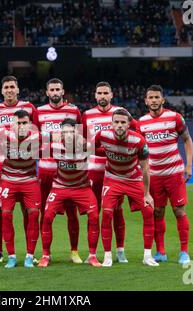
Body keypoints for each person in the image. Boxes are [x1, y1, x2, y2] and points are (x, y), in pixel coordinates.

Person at [0, 75, 39, 263]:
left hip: (24, 166)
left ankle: (29, 252)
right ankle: (0, 251)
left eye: (12, 87)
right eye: (6, 87)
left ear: (18, 89)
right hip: (0, 167)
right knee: (0, 211)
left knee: (28, 211)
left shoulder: (29, 108)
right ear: (2, 91)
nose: (9, 90)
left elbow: (37, 132)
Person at [94, 108, 158, 267]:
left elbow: (145, 169)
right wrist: (105, 152)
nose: (119, 125)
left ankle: (147, 256)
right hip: (112, 179)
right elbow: (92, 148)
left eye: (123, 122)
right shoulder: (102, 135)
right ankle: (107, 255)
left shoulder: (139, 141)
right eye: (116, 122)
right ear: (111, 123)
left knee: (148, 211)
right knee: (107, 214)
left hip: (132, 178)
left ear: (129, 124)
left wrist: (147, 193)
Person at [137, 85, 193, 264]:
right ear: (146, 101)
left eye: (157, 97)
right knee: (158, 212)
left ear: (163, 99)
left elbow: (187, 140)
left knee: (178, 210)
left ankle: (184, 252)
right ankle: (161, 251)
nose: (153, 100)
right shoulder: (141, 123)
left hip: (174, 173)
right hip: (153, 175)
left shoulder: (174, 118)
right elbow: (138, 150)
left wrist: (189, 165)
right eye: (150, 97)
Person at [81, 81, 137, 263]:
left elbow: (137, 133)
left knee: (117, 211)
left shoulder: (121, 113)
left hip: (115, 171)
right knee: (94, 212)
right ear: (95, 96)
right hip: (94, 171)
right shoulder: (87, 115)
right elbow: (84, 143)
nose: (103, 96)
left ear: (112, 95)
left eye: (106, 93)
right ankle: (93, 253)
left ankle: (120, 250)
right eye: (100, 93)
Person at [38, 119, 101, 267]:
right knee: (46, 217)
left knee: (94, 216)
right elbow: (32, 142)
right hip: (60, 187)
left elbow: (106, 148)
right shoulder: (54, 146)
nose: (67, 135)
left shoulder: (87, 146)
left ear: (76, 132)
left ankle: (91, 255)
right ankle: (46, 255)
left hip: (82, 187)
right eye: (64, 132)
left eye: (70, 131)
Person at [37, 78, 83, 264]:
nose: (55, 92)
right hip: (46, 169)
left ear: (63, 91)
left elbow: (79, 138)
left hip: (67, 170)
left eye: (58, 89)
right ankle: (45, 253)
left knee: (72, 212)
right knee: (44, 212)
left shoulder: (74, 111)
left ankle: (74, 251)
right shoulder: (38, 112)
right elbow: (35, 137)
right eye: (52, 90)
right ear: (47, 92)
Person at [0, 109, 41, 268]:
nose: (21, 126)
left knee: (34, 215)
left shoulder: (38, 137)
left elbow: (61, 138)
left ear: (30, 124)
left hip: (30, 181)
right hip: (8, 180)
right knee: (6, 216)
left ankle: (30, 256)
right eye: (18, 123)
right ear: (12, 124)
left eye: (24, 123)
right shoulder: (2, 134)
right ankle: (12, 256)